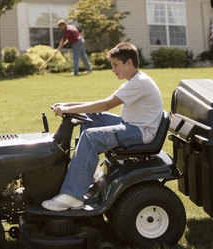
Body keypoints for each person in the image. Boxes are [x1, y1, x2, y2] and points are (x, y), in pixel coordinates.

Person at [42, 42, 163, 211]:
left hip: (140, 132)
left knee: (91, 136)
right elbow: (99, 105)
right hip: (131, 124)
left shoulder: (139, 83)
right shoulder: (134, 79)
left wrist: (68, 109)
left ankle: (73, 196)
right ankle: (84, 173)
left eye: (115, 65)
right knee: (89, 117)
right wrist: (67, 104)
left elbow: (105, 105)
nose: (113, 70)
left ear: (129, 62)